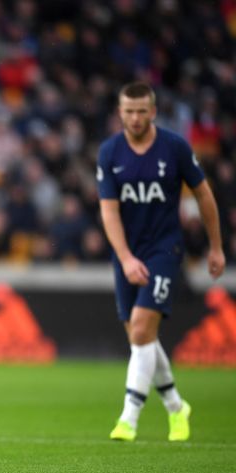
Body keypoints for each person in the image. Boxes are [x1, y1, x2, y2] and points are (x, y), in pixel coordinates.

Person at [96, 82, 225, 442]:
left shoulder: (175, 147)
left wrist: (216, 247)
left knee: (140, 329)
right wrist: (125, 258)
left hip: (165, 250)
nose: (135, 118)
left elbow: (204, 194)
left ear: (153, 112)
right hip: (128, 251)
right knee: (142, 338)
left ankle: (129, 418)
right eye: (128, 111)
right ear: (120, 113)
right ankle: (175, 406)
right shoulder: (110, 152)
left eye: (141, 111)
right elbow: (109, 212)